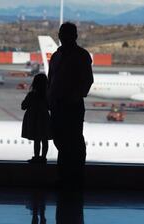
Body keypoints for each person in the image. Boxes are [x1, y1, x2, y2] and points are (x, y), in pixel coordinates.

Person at [48, 22, 94, 189]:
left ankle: (74, 178)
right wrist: (50, 99)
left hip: (71, 106)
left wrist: (75, 96)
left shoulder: (81, 55)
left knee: (73, 143)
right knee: (62, 143)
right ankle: (65, 177)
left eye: (65, 33)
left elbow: (88, 80)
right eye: (61, 33)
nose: (62, 37)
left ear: (74, 36)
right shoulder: (57, 55)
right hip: (57, 106)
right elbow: (51, 79)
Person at [21, 73, 52, 164]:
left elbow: (23, 106)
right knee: (44, 140)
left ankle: (37, 157)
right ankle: (43, 158)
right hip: (44, 120)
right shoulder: (47, 96)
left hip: (33, 120)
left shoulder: (31, 95)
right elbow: (50, 106)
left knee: (37, 140)